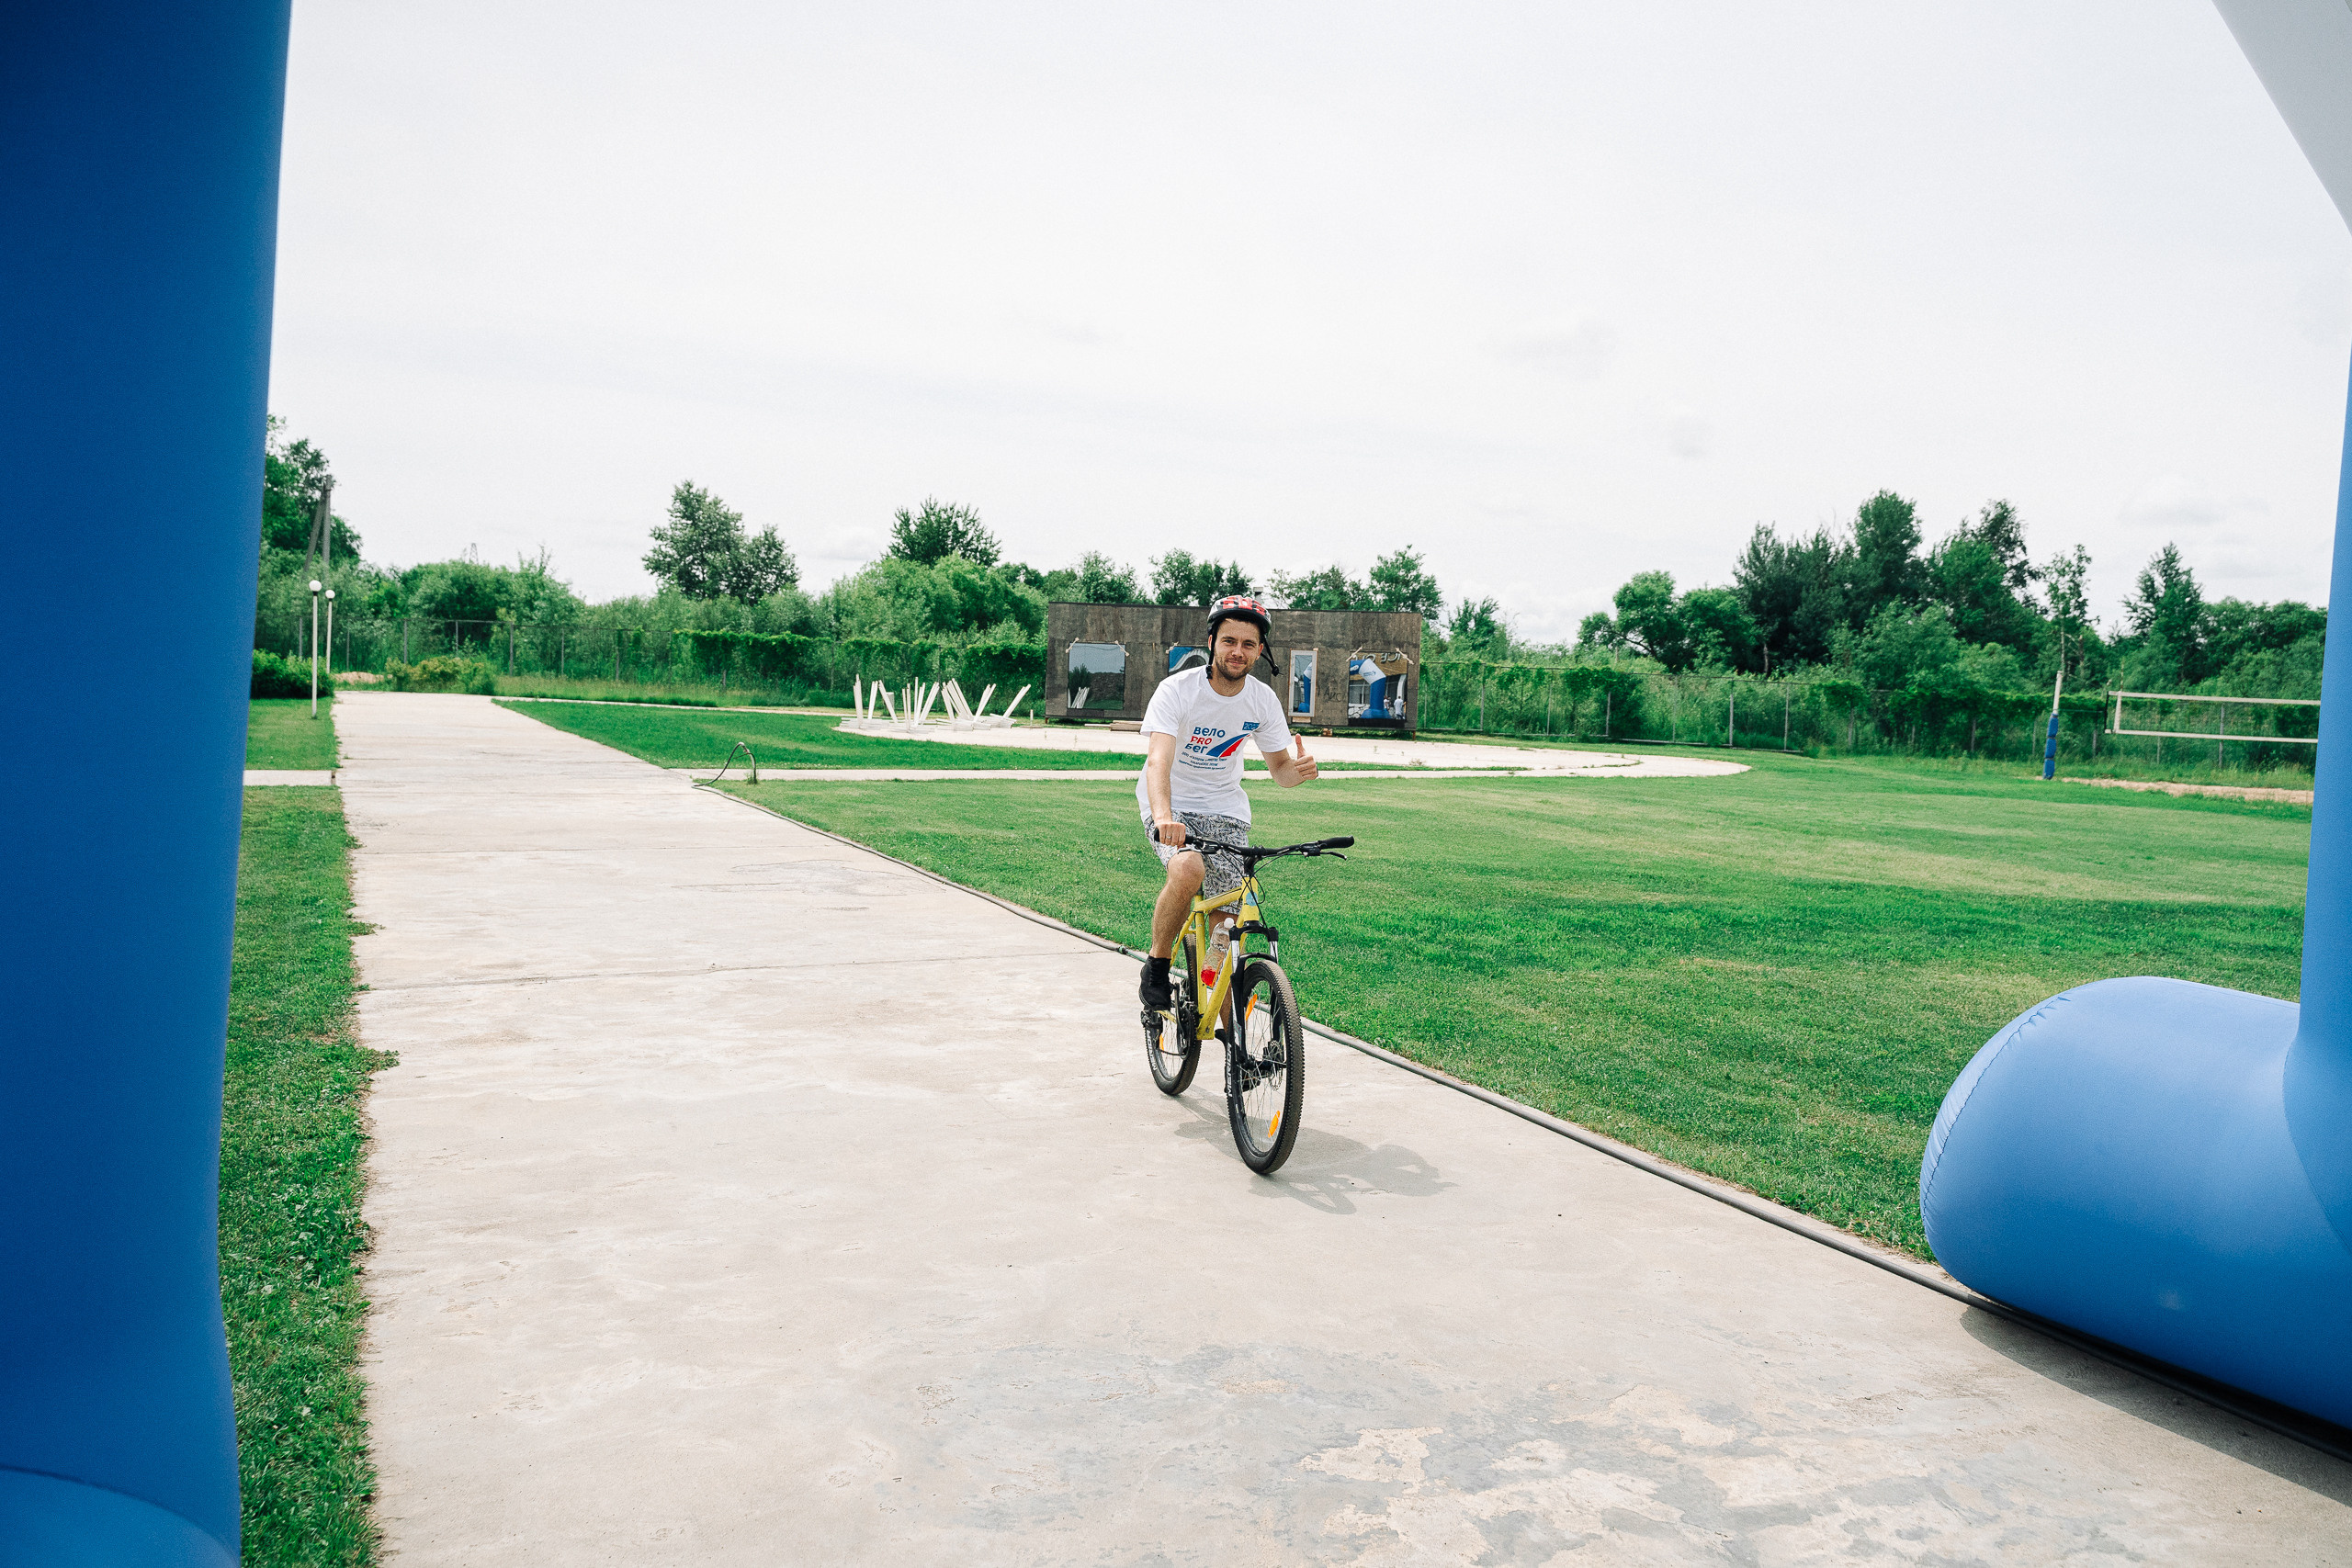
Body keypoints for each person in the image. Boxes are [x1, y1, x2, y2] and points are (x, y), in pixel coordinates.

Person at [1137, 594, 1318, 1012]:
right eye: (1229, 641)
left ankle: (1230, 1039)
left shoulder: (1261, 700)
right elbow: (1158, 760)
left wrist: (1300, 771)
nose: (1238, 651)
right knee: (1188, 868)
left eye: (1248, 644)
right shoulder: (1177, 690)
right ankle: (1157, 965)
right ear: (1212, 643)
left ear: (1259, 651)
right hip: (1172, 804)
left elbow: (1280, 770)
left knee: (1223, 937)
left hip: (1226, 811)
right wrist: (1164, 818)